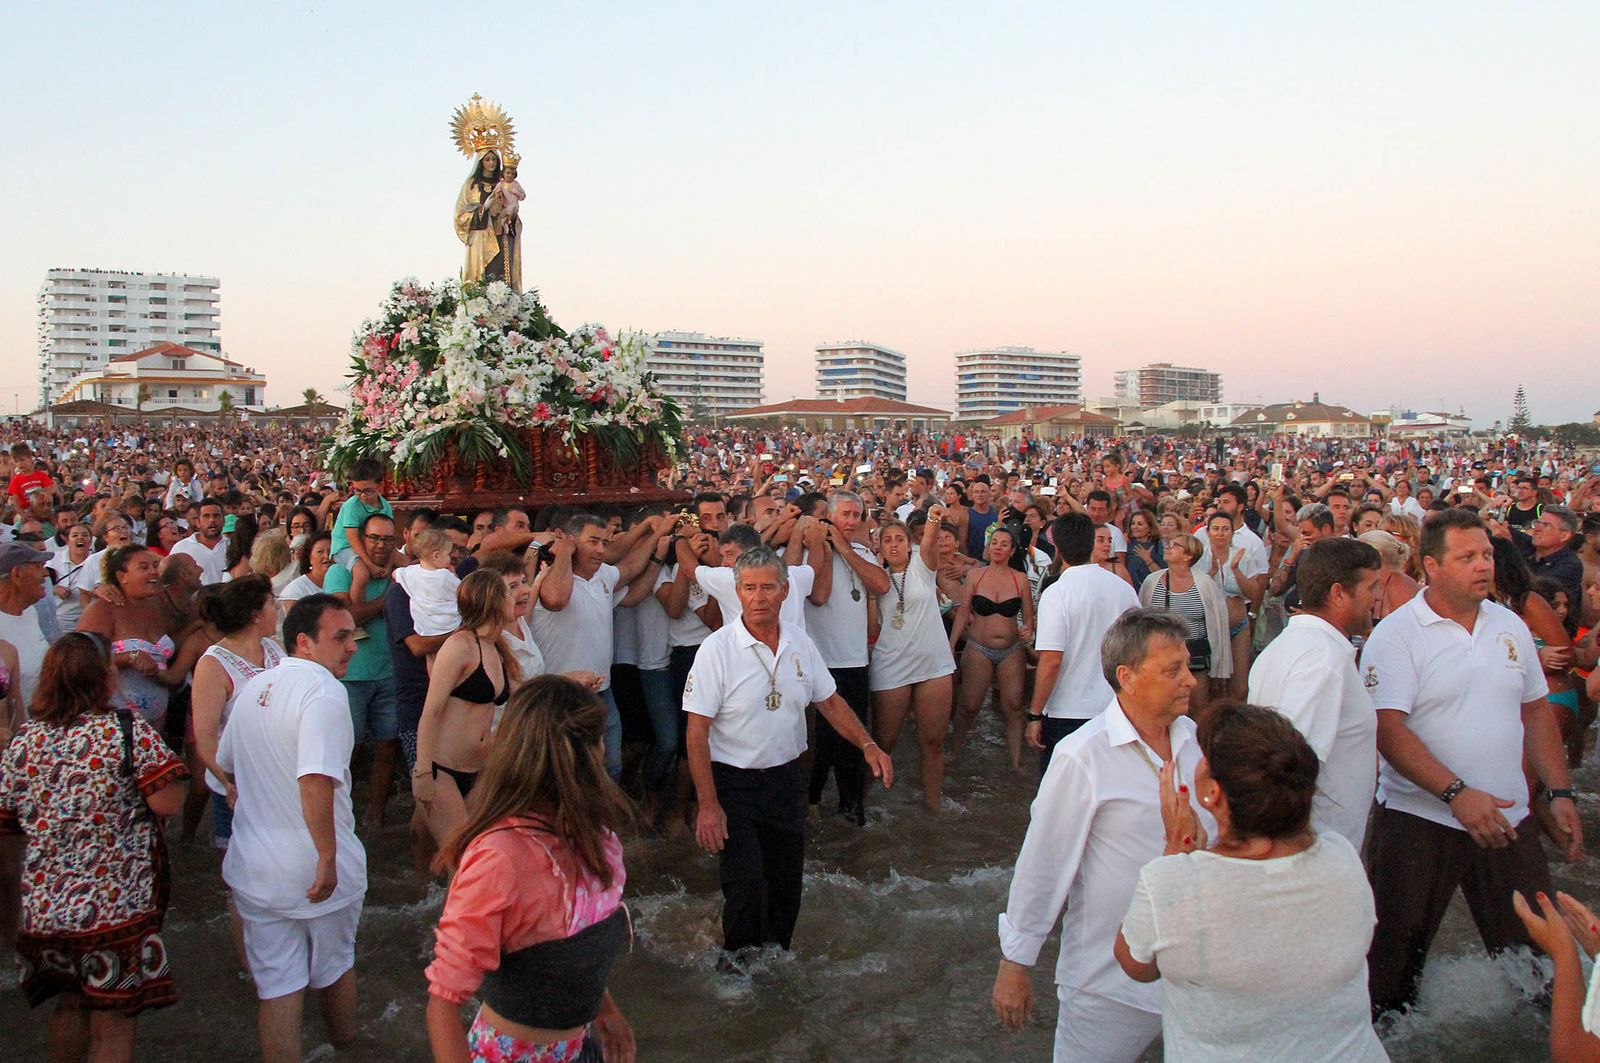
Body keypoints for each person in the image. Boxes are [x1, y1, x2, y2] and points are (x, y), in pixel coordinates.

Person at [1364, 508, 1582, 1018]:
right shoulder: (1397, 634)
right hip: (1420, 818)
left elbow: (1535, 711)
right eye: (1467, 557)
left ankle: (1558, 1040)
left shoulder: (1508, 624)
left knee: (1540, 961)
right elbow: (1388, 730)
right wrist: (1456, 793)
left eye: (1486, 554)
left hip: (1508, 817)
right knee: (1392, 973)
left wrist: (1559, 792)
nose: (1484, 565)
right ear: (1432, 565)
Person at [1114, 702, 1388, 1062]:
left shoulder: (1172, 883)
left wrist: (1176, 850)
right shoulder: (1342, 857)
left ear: (1211, 792)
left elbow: (1135, 964)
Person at [993, 609, 1208, 1061]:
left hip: (1194, 973)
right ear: (1127, 678)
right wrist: (1016, 962)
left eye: (1187, 667)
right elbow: (1045, 862)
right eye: (1173, 670)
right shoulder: (1082, 755)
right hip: (1109, 982)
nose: (1190, 680)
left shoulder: (1193, 739)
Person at [684, 547, 892, 958]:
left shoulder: (799, 640)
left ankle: (777, 967)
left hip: (786, 780)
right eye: (749, 588)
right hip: (733, 783)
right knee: (744, 885)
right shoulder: (717, 649)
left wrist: (868, 744)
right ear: (737, 593)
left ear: (784, 591)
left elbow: (829, 701)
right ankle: (735, 972)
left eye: (767, 587)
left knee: (786, 886)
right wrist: (707, 804)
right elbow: (696, 732)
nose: (758, 597)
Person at [425, 676, 636, 1063]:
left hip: (580, 1049)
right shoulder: (500, 859)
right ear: (575, 757)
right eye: (599, 739)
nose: (605, 750)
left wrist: (605, 1009)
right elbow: (443, 1003)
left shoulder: (596, 841)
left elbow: (576, 944)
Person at [0, 633, 187, 1060]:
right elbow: (168, 803)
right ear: (105, 676)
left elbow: (7, 823)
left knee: (69, 1006)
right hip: (113, 906)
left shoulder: (24, 741)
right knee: (112, 1024)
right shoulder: (123, 731)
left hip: (46, 907)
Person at [219, 594, 366, 1063]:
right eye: (340, 637)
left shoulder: (253, 689)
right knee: (336, 968)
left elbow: (225, 767)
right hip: (315, 869)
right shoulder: (325, 692)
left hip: (256, 870)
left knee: (278, 989)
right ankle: (349, 1047)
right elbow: (315, 778)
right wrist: (327, 857)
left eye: (353, 636)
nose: (352, 647)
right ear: (304, 642)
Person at [1248, 538, 1384, 848]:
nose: (1377, 597)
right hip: (1317, 847)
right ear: (1338, 593)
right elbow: (1292, 765)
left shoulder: (1292, 645)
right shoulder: (1322, 660)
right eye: (1371, 587)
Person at [533, 513, 667, 781]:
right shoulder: (547, 576)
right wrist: (564, 552)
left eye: (604, 543)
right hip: (561, 696)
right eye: (592, 541)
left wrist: (656, 540)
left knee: (611, 768)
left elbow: (630, 568)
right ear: (570, 540)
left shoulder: (603, 574)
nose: (600, 550)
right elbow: (556, 599)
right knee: (568, 773)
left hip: (602, 692)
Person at [1024, 513, 1139, 776]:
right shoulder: (1123, 589)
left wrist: (1034, 713)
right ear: (1091, 543)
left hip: (1067, 710)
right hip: (1116, 707)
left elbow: (1051, 660)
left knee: (1063, 791)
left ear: (1057, 547)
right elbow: (1138, 648)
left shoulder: (1057, 592)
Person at [413, 571, 520, 851]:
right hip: (442, 770)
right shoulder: (459, 646)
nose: (516, 597)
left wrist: (568, 682)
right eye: (509, 592)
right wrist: (423, 772)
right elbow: (431, 712)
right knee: (462, 858)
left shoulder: (496, 647)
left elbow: (524, 692)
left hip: (481, 770)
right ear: (493, 601)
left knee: (478, 857)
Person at [802, 491, 889, 826]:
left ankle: (851, 809)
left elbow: (881, 585)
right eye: (845, 515)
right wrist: (828, 546)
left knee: (854, 740)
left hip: (855, 660)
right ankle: (811, 801)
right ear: (830, 516)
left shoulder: (862, 552)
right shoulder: (811, 551)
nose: (851, 521)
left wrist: (846, 549)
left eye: (857, 515)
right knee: (820, 742)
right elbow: (818, 597)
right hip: (820, 659)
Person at [870, 515, 956, 812]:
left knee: (933, 742)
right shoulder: (875, 578)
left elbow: (930, 539)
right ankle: (862, 806)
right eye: (887, 541)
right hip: (891, 664)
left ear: (909, 545)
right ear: (880, 548)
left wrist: (933, 517)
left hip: (933, 664)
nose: (894, 545)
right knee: (884, 741)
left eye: (899, 539)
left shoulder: (923, 568)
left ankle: (934, 809)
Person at [323, 512, 400, 831]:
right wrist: (388, 598)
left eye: (388, 539)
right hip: (350, 677)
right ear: (361, 540)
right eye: (374, 538)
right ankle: (338, 817)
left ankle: (376, 818)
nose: (381, 545)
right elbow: (348, 617)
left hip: (389, 672)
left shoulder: (400, 571)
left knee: (387, 745)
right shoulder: (340, 571)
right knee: (347, 749)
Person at [78, 546, 202, 731]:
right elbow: (81, 660)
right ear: (122, 576)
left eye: (155, 565)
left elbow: (167, 648)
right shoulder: (102, 609)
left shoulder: (157, 604)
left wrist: (197, 625)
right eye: (144, 567)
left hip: (157, 723)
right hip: (113, 726)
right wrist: (129, 657)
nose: (153, 571)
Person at [948, 522, 1036, 771]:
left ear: (1012, 551)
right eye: (994, 543)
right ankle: (954, 752)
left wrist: (1028, 629)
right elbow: (963, 614)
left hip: (1011, 649)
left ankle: (1016, 764)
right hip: (978, 646)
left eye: (1004, 544)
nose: (998, 547)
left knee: (1014, 707)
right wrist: (951, 645)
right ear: (988, 548)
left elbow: (1029, 615)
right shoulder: (975, 576)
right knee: (969, 706)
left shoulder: (1020, 579)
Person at [1138, 532, 1232, 715]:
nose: (1168, 548)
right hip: (1161, 653)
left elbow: (1218, 626)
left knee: (1198, 705)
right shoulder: (1152, 582)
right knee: (1164, 705)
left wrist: (1219, 666)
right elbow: (1142, 619)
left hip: (1196, 653)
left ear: (1188, 555)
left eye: (1175, 545)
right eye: (1168, 544)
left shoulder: (1204, 583)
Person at [391, 527, 461, 637]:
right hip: (447, 624)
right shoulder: (444, 576)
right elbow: (462, 591)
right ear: (436, 556)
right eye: (448, 554)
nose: (450, 558)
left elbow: (395, 574)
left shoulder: (410, 572)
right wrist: (454, 575)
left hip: (424, 626)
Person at [168, 497, 229, 584]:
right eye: (206, 516)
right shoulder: (181, 548)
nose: (212, 520)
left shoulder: (233, 545)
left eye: (216, 516)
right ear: (198, 522)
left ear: (223, 520)